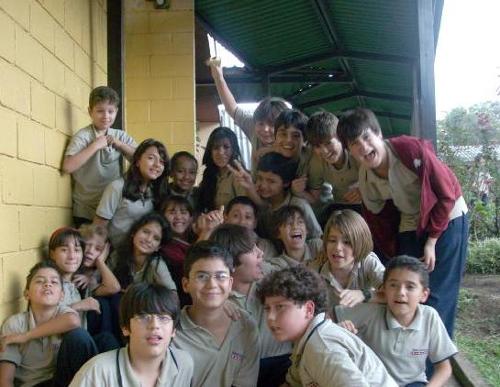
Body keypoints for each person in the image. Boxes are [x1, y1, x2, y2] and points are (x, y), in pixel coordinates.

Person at [336, 107, 469, 336]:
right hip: (412, 220)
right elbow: (378, 222)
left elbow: (447, 195)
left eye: (367, 137)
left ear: (378, 134)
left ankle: (435, 361)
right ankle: (408, 353)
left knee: (436, 294)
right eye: (355, 144)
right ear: (349, 151)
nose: (364, 148)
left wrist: (431, 242)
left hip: (447, 217)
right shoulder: (366, 178)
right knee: (405, 283)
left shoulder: (409, 149)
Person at [256, 265, 397, 387]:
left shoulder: (321, 346)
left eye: (280, 307)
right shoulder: (307, 340)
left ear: (309, 309)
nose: (270, 317)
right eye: (267, 308)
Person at [335, 256, 457, 387]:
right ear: (383, 290)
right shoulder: (372, 311)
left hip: (412, 383)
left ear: (424, 295)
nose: (401, 292)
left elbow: (444, 368)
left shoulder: (430, 317)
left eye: (410, 287)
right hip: (374, 382)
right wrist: (339, 328)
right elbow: (327, 319)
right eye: (393, 285)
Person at [209, 224, 292, 387]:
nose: (261, 253)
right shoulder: (213, 296)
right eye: (252, 250)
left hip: (284, 364)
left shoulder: (271, 276)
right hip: (239, 369)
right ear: (232, 262)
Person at [70, 282, 193, 386]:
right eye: (144, 317)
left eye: (163, 318)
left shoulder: (183, 364)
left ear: (173, 330)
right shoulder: (97, 372)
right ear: (125, 327)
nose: (155, 325)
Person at [173, 241, 260, 387]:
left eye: (220, 276)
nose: (212, 285)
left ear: (230, 283)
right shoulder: (171, 332)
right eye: (202, 276)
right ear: (186, 284)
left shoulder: (246, 326)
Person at [0, 261, 97, 387]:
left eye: (54, 282)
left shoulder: (64, 314)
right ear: (26, 294)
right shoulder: (14, 324)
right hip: (34, 384)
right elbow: (5, 380)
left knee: (81, 336)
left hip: (62, 380)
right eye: (40, 281)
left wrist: (25, 336)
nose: (47, 284)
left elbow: (73, 321)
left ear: (62, 295)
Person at [63, 86, 137, 227]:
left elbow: (140, 160)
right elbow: (67, 167)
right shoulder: (83, 136)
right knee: (90, 247)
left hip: (112, 207)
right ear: (90, 111)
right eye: (100, 111)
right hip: (85, 209)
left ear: (116, 111)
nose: (106, 116)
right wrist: (95, 146)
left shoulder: (119, 136)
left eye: (110, 111)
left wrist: (120, 145)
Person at [206, 58, 288, 173]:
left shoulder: (291, 140)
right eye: (261, 123)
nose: (265, 129)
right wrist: (219, 77)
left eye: (272, 124)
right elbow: (232, 108)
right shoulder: (252, 127)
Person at [47, 227, 119, 352]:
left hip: (82, 339)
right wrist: (80, 305)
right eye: (64, 250)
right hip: (62, 348)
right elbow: (45, 321)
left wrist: (100, 262)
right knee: (81, 335)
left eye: (76, 250)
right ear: (52, 254)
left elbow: (113, 288)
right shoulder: (50, 281)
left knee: (107, 339)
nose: (72, 255)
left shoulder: (83, 280)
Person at [94, 138, 170, 248]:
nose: (157, 164)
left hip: (138, 254)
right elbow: (98, 228)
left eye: (162, 161)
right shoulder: (117, 187)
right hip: (113, 253)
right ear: (138, 161)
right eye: (151, 158)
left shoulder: (155, 192)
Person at [308, 209, 385, 309]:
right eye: (332, 240)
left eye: (347, 242)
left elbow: (394, 294)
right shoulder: (315, 269)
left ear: (360, 244)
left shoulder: (367, 262)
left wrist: (364, 295)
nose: (337, 247)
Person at [304, 111, 361, 226]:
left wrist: (363, 187)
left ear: (341, 137)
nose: (324, 151)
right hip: (341, 207)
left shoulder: (356, 151)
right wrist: (298, 191)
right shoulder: (317, 161)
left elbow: (380, 177)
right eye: (317, 146)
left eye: (328, 143)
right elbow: (314, 197)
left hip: (367, 204)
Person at [250, 151, 322, 240]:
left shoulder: (299, 205)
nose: (263, 185)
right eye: (260, 178)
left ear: (286, 183)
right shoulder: (256, 203)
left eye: (271, 181)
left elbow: (317, 238)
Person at [112, 213, 177, 292]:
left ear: (158, 247)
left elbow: (173, 295)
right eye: (146, 232)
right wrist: (100, 261)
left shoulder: (156, 265)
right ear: (134, 232)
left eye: (156, 238)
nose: (149, 239)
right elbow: (100, 282)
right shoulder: (119, 254)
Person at [197, 127, 247, 212]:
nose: (220, 152)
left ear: (233, 150)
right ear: (210, 151)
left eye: (226, 147)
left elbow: (245, 211)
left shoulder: (239, 176)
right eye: (216, 147)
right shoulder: (208, 174)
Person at [160, 195, 198, 306]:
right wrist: (206, 232)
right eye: (172, 212)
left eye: (183, 212)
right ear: (162, 217)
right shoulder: (164, 245)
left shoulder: (195, 238)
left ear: (191, 218)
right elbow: (192, 264)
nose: (178, 217)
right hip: (180, 302)